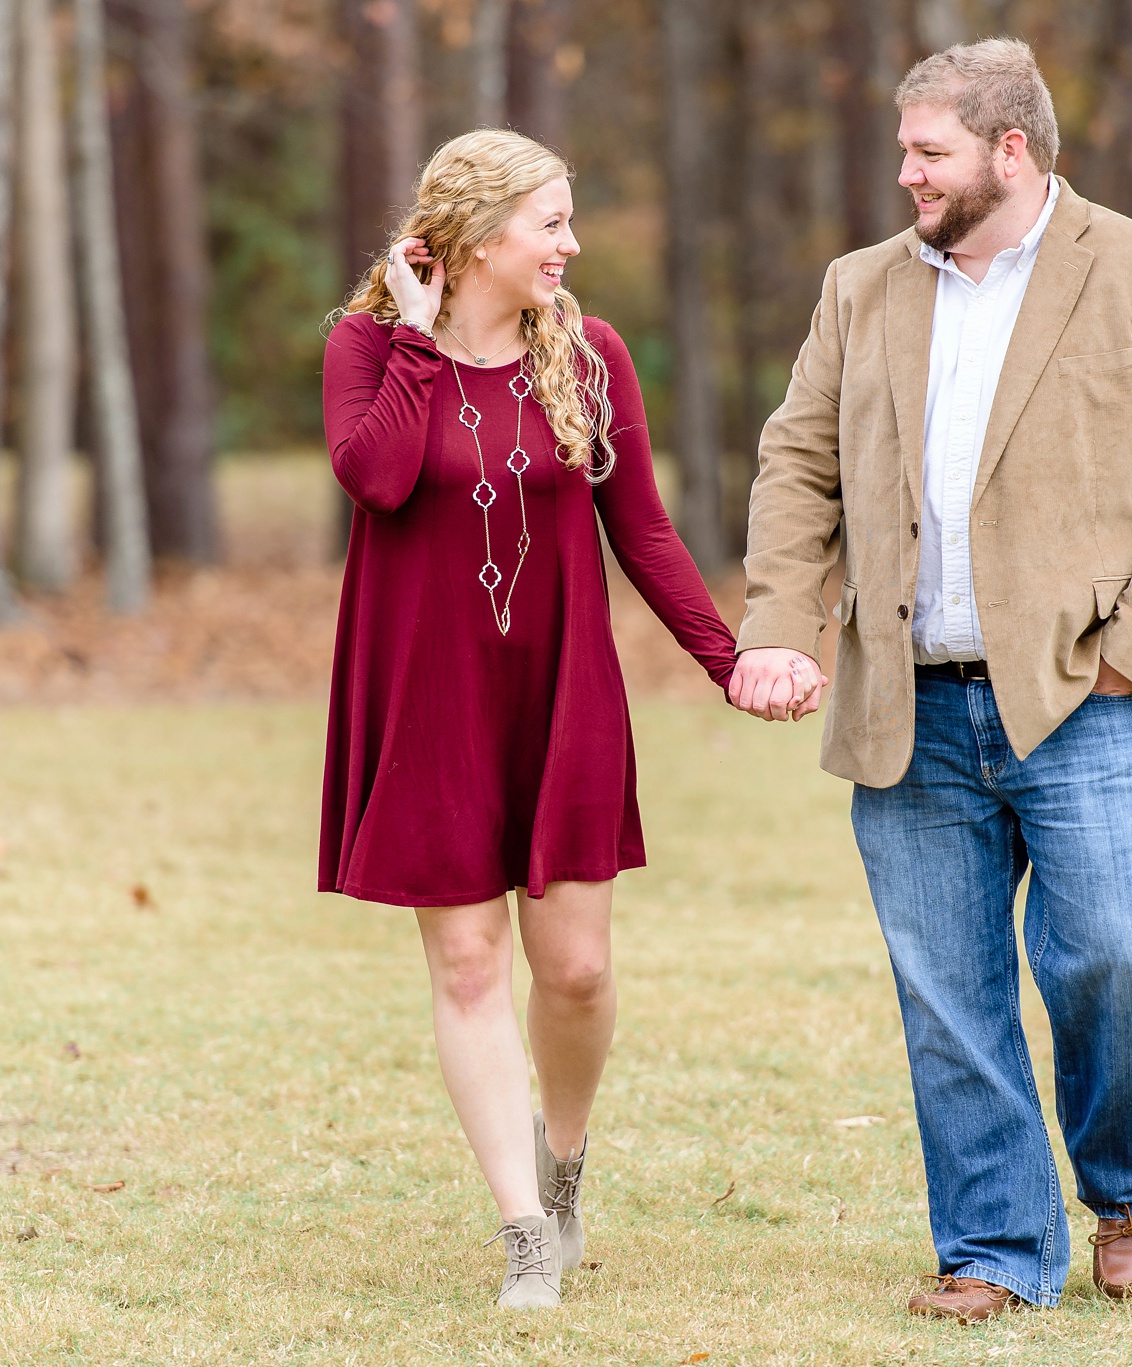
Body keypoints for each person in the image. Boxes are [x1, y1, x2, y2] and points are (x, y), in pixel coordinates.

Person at [730, 38, 1132, 1322]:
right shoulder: (857, 290)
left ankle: (1130, 1182)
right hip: (906, 702)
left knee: (1118, 955)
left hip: (1086, 697)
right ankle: (994, 1251)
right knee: (948, 993)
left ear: (1009, 151)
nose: (905, 172)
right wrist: (781, 622)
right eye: (905, 149)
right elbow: (797, 468)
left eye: (928, 151)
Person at [319, 129, 768, 1310]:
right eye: (550, 223)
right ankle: (522, 1228)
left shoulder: (590, 353)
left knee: (571, 970)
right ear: (471, 238)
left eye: (569, 221)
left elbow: (646, 531)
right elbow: (373, 476)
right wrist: (420, 341)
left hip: (559, 689)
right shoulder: (367, 345)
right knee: (466, 960)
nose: (570, 244)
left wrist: (725, 661)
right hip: (427, 692)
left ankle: (558, 1165)